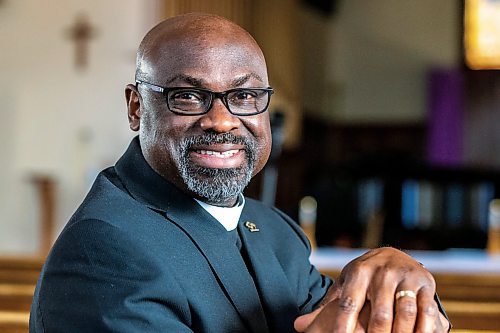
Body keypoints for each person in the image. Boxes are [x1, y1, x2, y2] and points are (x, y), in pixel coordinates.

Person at [30, 13, 450, 333]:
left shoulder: (274, 230)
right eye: (188, 96)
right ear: (136, 107)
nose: (222, 120)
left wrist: (400, 285)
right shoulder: (105, 250)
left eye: (244, 95)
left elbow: (354, 319)